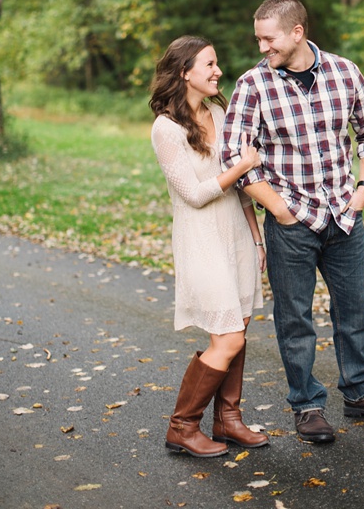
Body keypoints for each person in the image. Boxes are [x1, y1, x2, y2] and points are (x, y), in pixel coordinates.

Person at [220, 0, 364, 444]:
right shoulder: (252, 85)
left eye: (268, 39)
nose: (262, 47)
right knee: (295, 319)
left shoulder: (345, 73)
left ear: (296, 33)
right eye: (259, 39)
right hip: (292, 224)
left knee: (355, 311)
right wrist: (281, 209)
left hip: (345, 216)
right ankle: (307, 405)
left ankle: (361, 393)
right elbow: (234, 157)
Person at [150, 36, 269, 458]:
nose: (219, 71)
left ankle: (228, 421)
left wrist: (256, 239)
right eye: (210, 64)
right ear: (185, 72)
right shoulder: (166, 129)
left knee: (239, 330)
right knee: (229, 338)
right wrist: (242, 165)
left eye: (217, 63)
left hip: (235, 232)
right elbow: (195, 194)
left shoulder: (220, 111)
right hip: (200, 238)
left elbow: (239, 191)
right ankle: (182, 427)